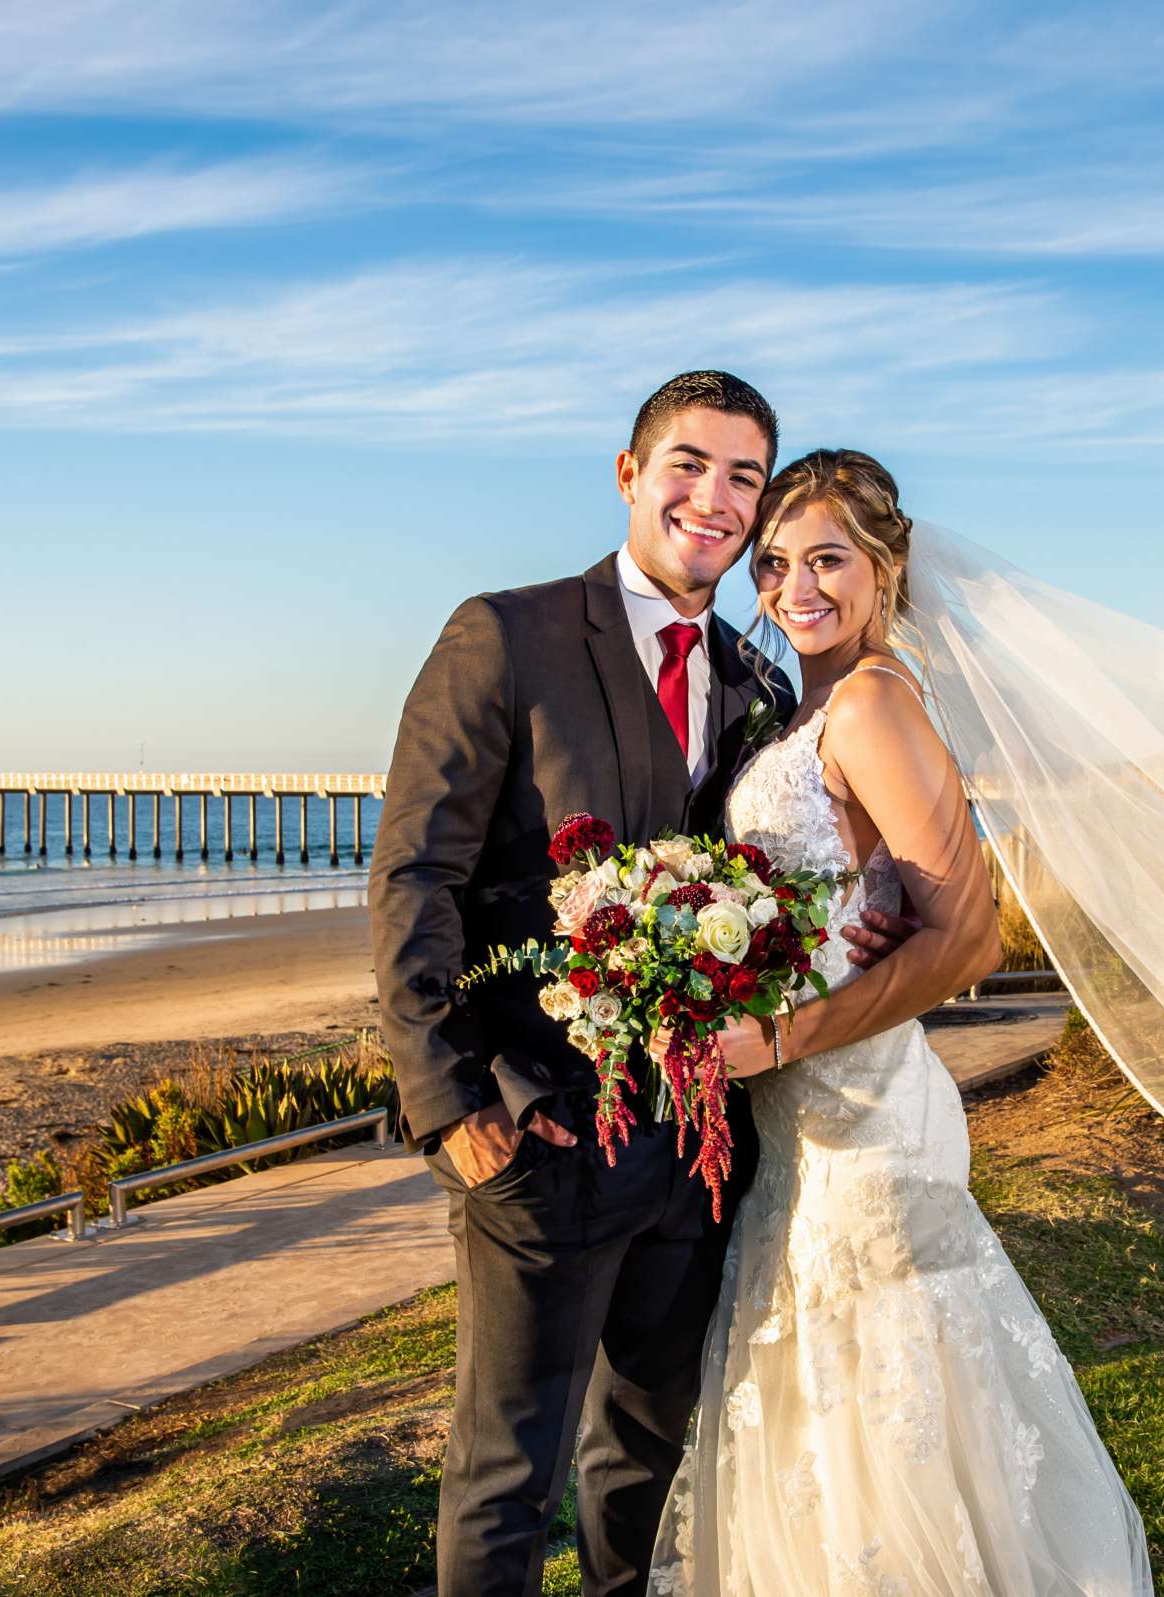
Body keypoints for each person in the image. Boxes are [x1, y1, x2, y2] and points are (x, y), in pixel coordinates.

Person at [371, 373, 914, 1597]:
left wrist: (856, 924)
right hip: (542, 1135)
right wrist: (454, 1106)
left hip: (707, 1153)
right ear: (629, 473)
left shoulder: (758, 678)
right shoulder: (505, 636)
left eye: (741, 478)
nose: (712, 499)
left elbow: (791, 865)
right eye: (687, 464)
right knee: (508, 1477)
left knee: (644, 1459)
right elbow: (416, 873)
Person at [648, 449, 1156, 1592]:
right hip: (802, 1134)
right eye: (773, 565)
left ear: (885, 570)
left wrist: (773, 1037)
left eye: (827, 559)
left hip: (867, 1122)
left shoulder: (874, 699)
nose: (794, 588)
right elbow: (841, 885)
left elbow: (968, 937)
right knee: (818, 1411)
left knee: (883, 1413)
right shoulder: (807, 708)